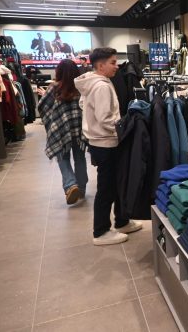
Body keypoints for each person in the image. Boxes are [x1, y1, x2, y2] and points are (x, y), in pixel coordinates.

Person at [75, 47, 142, 246]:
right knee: (107, 187)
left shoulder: (92, 82)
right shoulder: (101, 86)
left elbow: (83, 105)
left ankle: (122, 221)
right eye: (113, 62)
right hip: (106, 143)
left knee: (115, 183)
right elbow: (105, 119)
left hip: (101, 141)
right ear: (100, 65)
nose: (117, 66)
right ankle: (101, 231)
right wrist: (122, 129)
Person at [37, 59, 88, 205]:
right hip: (79, 128)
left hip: (61, 128)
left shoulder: (54, 87)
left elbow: (42, 106)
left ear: (58, 72)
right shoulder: (81, 86)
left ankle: (71, 185)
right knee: (80, 157)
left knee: (63, 157)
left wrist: (52, 115)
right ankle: (81, 188)